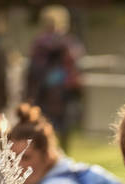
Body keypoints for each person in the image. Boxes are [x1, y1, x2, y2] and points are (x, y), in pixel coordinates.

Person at [25, 5, 84, 153]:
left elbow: (32, 70)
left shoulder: (39, 43)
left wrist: (29, 93)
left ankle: (47, 153)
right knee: (63, 129)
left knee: (44, 125)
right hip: (62, 92)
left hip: (46, 92)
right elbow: (75, 66)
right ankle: (60, 154)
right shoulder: (69, 42)